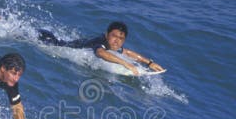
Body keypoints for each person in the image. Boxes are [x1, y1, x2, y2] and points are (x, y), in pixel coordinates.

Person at [37, 21, 165, 75]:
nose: (117, 41)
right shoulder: (101, 43)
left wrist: (149, 62)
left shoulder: (113, 45)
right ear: (106, 35)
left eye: (121, 39)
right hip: (53, 43)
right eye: (114, 36)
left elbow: (126, 52)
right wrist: (126, 64)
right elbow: (101, 53)